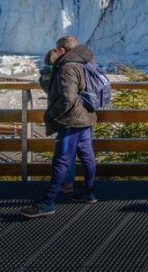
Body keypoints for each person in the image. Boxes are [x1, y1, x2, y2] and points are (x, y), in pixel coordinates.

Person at [21, 36, 98, 218]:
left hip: (71, 120)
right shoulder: (87, 61)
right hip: (86, 116)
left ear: (63, 50)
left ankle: (48, 202)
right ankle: (88, 192)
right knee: (87, 156)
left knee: (61, 160)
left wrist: (51, 114)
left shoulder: (68, 67)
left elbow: (67, 98)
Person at [39, 48, 75, 195]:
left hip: (59, 114)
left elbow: (50, 89)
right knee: (73, 152)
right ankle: (74, 184)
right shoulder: (63, 71)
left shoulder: (48, 74)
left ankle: (62, 182)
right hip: (73, 114)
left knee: (63, 151)